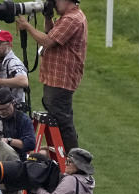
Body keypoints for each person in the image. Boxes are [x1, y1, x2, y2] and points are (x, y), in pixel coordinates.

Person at [16, 0, 88, 153]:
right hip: (56, 77)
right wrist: (48, 17)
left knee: (62, 119)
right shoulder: (67, 16)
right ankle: (64, 154)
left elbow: (48, 41)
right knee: (57, 114)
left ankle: (73, 159)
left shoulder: (72, 19)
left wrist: (27, 26)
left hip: (62, 78)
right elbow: (51, 33)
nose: (54, 3)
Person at [0, 29, 29, 110]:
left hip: (13, 115)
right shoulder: (3, 62)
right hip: (4, 113)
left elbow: (23, 81)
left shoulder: (13, 62)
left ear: (9, 45)